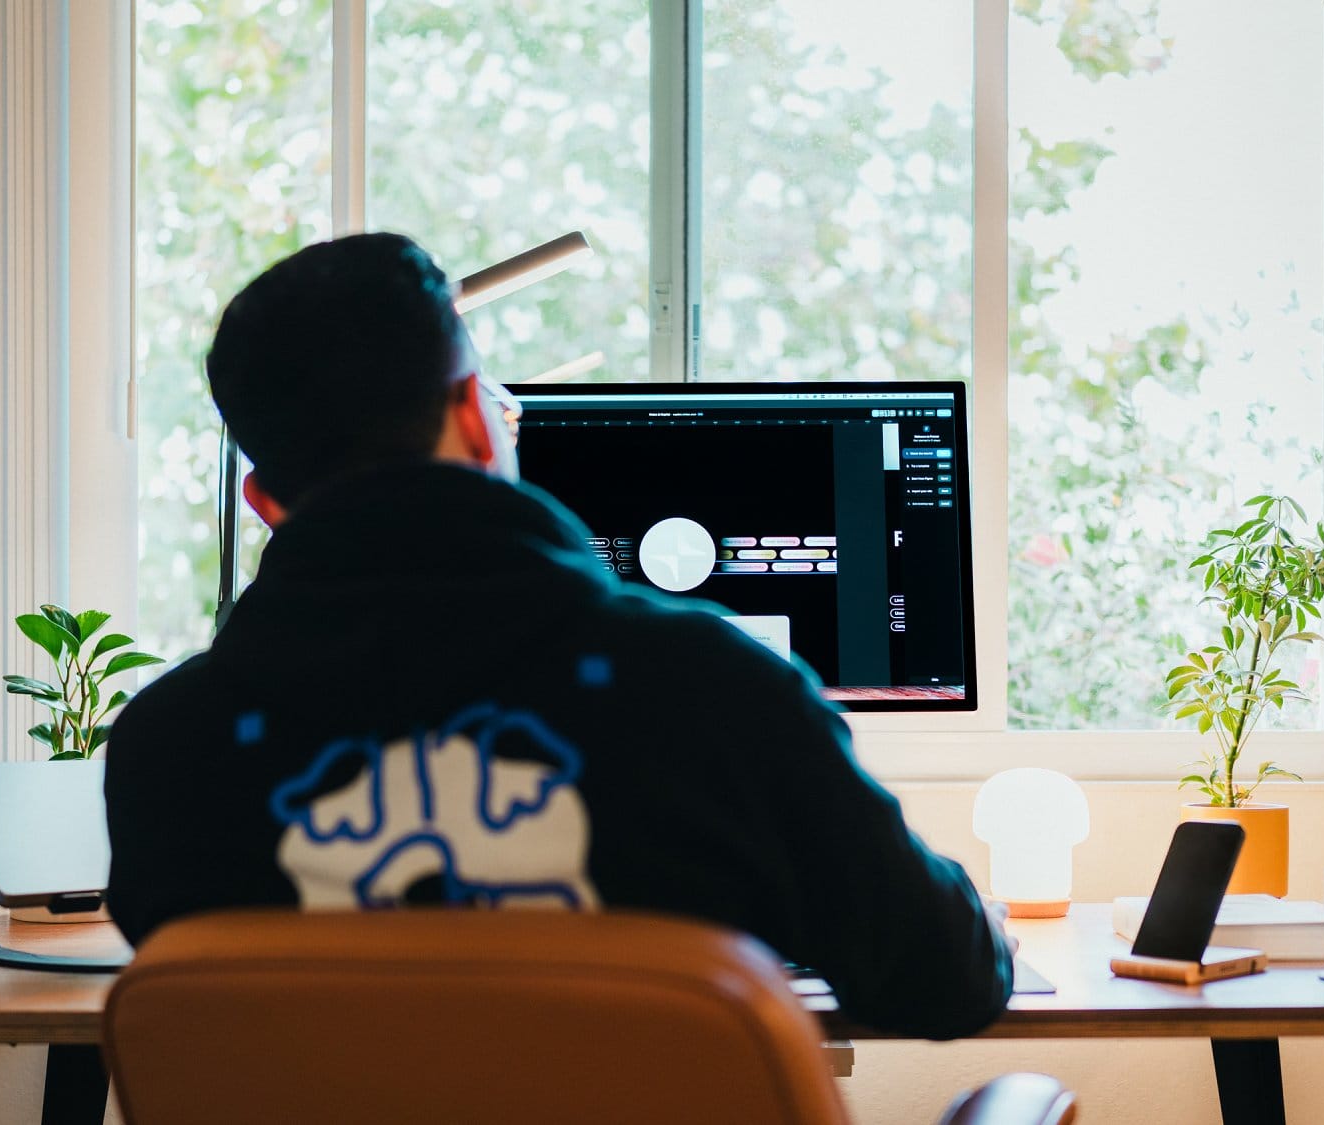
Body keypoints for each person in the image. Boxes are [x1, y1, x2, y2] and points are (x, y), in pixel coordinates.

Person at [103, 232, 1011, 1039]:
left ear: (263, 502)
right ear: (473, 417)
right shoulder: (713, 690)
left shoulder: (165, 748)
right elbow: (947, 979)